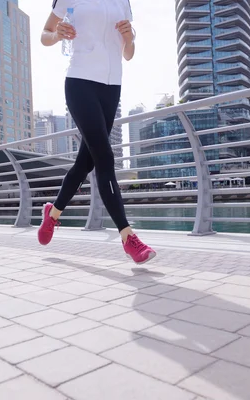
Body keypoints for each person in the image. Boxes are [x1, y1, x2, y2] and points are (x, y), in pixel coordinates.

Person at [37, 0, 156, 264]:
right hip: (80, 82)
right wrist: (57, 35)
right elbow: (45, 33)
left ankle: (53, 214)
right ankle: (128, 238)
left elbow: (128, 53)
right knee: (104, 158)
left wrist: (129, 37)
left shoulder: (122, 3)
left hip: (111, 88)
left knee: (85, 162)